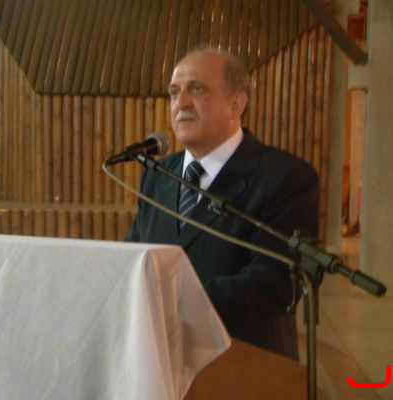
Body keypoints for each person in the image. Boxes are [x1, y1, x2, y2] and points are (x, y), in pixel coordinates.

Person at [125, 48, 318, 360]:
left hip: (241, 365)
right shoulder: (158, 175)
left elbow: (275, 281)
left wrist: (175, 304)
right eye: (174, 92)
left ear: (236, 103)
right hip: (157, 361)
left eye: (197, 89)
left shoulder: (284, 176)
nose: (182, 103)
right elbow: (136, 254)